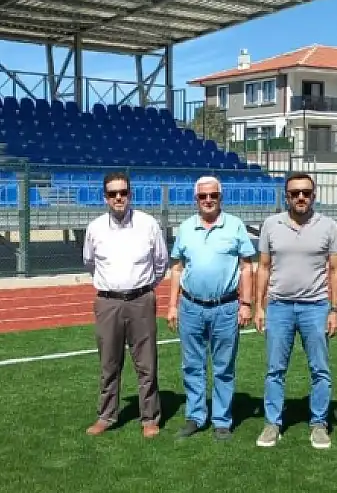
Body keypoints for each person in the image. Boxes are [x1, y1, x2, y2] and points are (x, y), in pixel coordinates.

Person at [253, 172, 337, 450]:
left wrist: (335, 310)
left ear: (313, 195)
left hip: (316, 307)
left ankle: (319, 424)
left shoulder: (329, 226)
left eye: (306, 192)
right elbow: (264, 267)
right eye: (295, 193)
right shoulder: (271, 224)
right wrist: (259, 306)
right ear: (286, 196)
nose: (301, 197)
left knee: (320, 370)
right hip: (279, 307)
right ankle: (273, 423)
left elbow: (336, 270)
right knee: (274, 370)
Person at [165, 176, 255, 441]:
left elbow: (247, 266)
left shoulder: (235, 226)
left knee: (223, 367)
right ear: (196, 199)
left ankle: (222, 420)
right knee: (192, 365)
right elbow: (177, 268)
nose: (208, 200)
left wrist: (246, 304)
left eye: (213, 196)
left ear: (220, 198)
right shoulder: (185, 227)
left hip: (226, 307)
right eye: (203, 196)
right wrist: (172, 305)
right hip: (190, 306)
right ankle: (195, 416)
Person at [82, 171, 169, 438]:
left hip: (141, 300)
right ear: (105, 197)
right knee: (109, 363)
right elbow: (89, 263)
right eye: (112, 194)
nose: (118, 198)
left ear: (130, 194)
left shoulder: (148, 224)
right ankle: (106, 416)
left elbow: (161, 263)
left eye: (123, 192)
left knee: (146, 364)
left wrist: (143, 289)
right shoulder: (95, 228)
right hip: (108, 302)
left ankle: (150, 418)